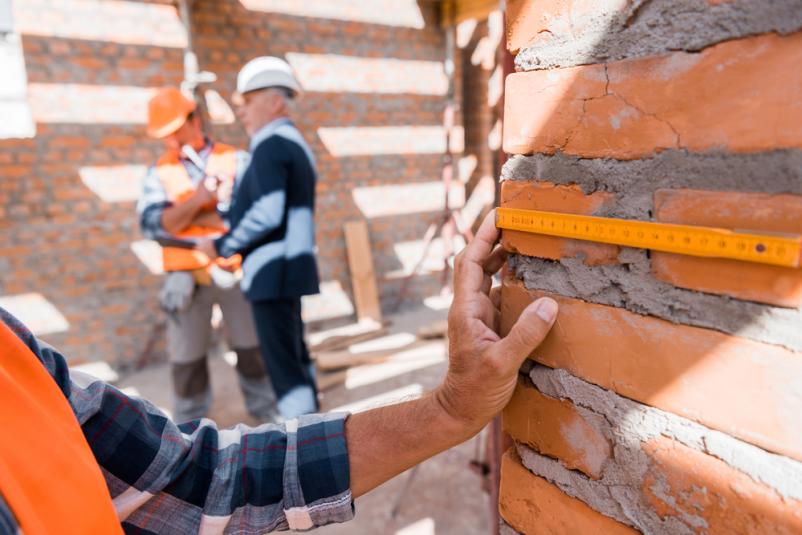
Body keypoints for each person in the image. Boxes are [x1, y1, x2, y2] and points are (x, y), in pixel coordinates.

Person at [0, 211, 559, 533]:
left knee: (266, 365)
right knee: (210, 367)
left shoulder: (10, 354)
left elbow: (200, 478)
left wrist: (449, 411)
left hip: (245, 278)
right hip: (221, 276)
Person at [137, 87, 277, 423]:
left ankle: (266, 413)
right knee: (186, 359)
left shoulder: (236, 160)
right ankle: (189, 425)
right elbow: (153, 225)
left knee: (252, 348)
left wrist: (198, 212)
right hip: (185, 277)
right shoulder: (159, 172)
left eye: (176, 130)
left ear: (195, 119)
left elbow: (257, 216)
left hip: (233, 271)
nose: (171, 140)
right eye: (165, 135)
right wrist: (199, 201)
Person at [196, 57, 321, 420]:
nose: (241, 111)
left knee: (284, 368)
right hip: (286, 269)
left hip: (272, 271)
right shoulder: (290, 142)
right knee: (294, 356)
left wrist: (220, 246)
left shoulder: (271, 145)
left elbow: (267, 213)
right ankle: (313, 426)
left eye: (248, 102)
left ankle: (301, 438)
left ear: (275, 101)